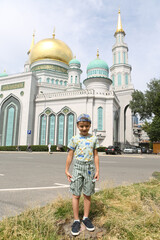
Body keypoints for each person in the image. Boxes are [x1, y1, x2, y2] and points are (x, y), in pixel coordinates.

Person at [65, 113, 99, 236]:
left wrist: (97, 170)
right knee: (76, 194)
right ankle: (76, 220)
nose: (84, 128)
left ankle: (85, 217)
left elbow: (95, 155)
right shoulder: (74, 139)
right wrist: (67, 169)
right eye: (81, 126)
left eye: (86, 126)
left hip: (89, 168)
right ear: (77, 126)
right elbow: (70, 155)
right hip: (77, 167)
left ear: (90, 126)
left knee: (88, 193)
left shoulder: (94, 139)